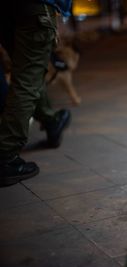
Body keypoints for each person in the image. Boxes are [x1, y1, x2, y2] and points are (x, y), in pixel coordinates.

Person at [0, 0, 72, 186]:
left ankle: (51, 121)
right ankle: (5, 155)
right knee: (26, 79)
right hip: (35, 5)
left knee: (27, 72)